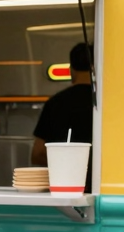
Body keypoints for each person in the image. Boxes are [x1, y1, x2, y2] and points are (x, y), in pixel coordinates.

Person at [31, 41, 94, 188]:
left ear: (71, 69)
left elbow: (37, 153)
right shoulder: (104, 105)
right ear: (95, 67)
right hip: (99, 189)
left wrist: (66, 165)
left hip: (63, 187)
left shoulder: (55, 103)